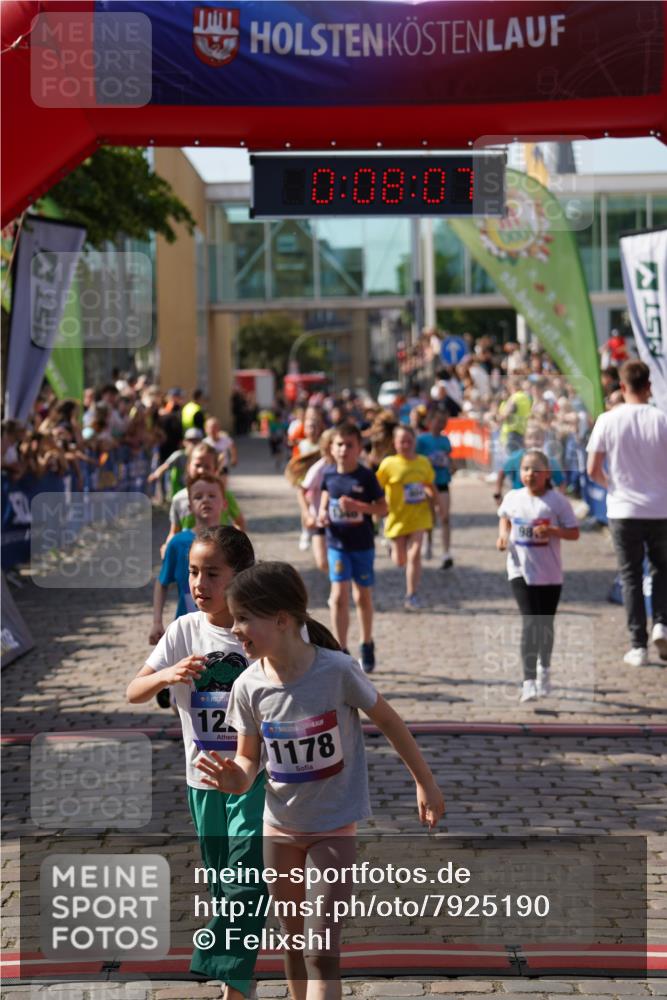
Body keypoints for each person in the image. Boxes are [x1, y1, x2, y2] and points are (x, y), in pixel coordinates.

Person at [195, 561, 445, 1000]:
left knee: (320, 951)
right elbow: (248, 761)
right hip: (279, 829)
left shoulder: (337, 671)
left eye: (243, 618)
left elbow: (389, 721)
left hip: (332, 825)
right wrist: (234, 779)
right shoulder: (248, 686)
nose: (235, 630)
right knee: (293, 944)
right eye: (234, 619)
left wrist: (425, 782)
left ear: (282, 620)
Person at [128, 527, 264, 1000]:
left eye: (212, 573)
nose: (199, 583)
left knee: (247, 877)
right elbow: (133, 690)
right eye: (192, 572)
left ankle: (232, 985)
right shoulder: (184, 630)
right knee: (224, 884)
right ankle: (235, 974)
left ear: (241, 576)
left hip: (254, 778)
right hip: (202, 780)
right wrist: (168, 673)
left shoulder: (263, 628)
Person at [586, 360, 667, 666]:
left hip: (624, 509)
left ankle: (638, 645)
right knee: (663, 570)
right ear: (649, 387)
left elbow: (593, 469)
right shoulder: (662, 419)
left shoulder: (608, 420)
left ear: (622, 387)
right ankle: (661, 623)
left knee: (631, 576)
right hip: (661, 508)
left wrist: (613, 487)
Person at [497, 450, 580, 702]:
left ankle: (545, 670)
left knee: (545, 624)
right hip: (519, 569)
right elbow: (504, 518)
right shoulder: (513, 497)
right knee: (530, 622)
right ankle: (528, 681)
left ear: (547, 474)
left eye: (535, 470)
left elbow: (574, 532)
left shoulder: (557, 502)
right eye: (525, 469)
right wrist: (502, 535)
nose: (529, 474)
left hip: (550, 573)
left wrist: (552, 530)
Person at [318, 422, 387, 672]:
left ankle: (366, 643)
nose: (344, 449)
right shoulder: (328, 474)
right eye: (339, 444)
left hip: (362, 545)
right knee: (338, 597)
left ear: (358, 448)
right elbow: (325, 499)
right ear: (332, 448)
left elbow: (383, 507)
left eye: (349, 445)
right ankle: (341, 649)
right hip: (337, 543)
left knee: (362, 596)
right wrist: (322, 514)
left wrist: (359, 508)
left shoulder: (366, 476)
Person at [376, 425, 436, 610]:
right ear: (395, 443)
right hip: (397, 516)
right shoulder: (388, 464)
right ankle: (389, 544)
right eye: (402, 441)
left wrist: (436, 503)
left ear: (414, 442)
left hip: (419, 515)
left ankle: (411, 595)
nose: (406, 444)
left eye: (409, 441)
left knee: (415, 554)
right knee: (400, 560)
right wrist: (378, 508)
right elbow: (377, 487)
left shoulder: (423, 462)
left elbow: (429, 485)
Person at [417, 407, 455, 568]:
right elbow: (415, 459)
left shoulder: (445, 440)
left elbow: (450, 459)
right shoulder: (422, 440)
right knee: (430, 518)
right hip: (426, 483)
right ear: (430, 422)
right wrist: (428, 460)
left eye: (444, 422)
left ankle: (446, 553)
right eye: (438, 421)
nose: (441, 424)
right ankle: (429, 542)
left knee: (445, 517)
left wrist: (451, 466)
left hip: (443, 482)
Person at [297, 428, 335, 574]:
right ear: (325, 447)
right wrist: (307, 514)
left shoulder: (346, 466)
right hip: (319, 519)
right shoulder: (319, 468)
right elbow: (301, 491)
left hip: (339, 520)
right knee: (322, 562)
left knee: (339, 559)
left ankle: (339, 584)